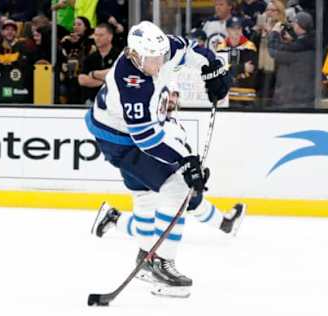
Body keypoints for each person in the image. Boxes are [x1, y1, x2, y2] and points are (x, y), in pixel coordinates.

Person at [85, 21, 241, 298]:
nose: (158, 64)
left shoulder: (163, 48)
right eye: (150, 60)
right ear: (133, 55)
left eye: (160, 57)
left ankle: (145, 258)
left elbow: (195, 51)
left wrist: (214, 69)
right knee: (179, 186)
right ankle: (161, 263)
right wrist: (186, 161)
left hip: (126, 132)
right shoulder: (130, 82)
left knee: (146, 197)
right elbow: (145, 138)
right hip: (119, 139)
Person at [92, 84, 245, 249]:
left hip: (136, 168)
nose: (172, 98)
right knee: (185, 195)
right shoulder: (152, 117)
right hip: (140, 165)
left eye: (176, 95)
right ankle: (224, 223)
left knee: (148, 227)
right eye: (169, 94)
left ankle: (114, 218)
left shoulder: (173, 123)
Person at [268, 11, 315, 109]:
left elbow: (274, 51)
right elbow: (299, 44)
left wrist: (274, 33)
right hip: (307, 95)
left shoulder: (298, 48)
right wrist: (292, 40)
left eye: (294, 23)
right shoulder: (312, 42)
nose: (293, 26)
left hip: (294, 98)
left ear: (299, 26)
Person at [216, 16, 258, 108]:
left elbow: (251, 69)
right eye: (233, 28)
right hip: (226, 98)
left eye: (238, 28)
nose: (236, 31)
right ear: (227, 30)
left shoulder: (249, 47)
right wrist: (242, 67)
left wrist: (230, 69)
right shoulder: (221, 48)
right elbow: (220, 72)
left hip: (246, 97)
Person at [78, 23, 120, 104]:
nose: (97, 38)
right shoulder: (90, 58)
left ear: (110, 37)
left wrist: (93, 74)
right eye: (96, 35)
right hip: (92, 102)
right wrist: (106, 81)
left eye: (101, 35)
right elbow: (82, 79)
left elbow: (117, 74)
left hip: (115, 103)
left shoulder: (119, 56)